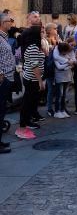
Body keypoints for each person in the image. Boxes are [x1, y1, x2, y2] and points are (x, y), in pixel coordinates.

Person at [15, 25, 46, 140]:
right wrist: (40, 81)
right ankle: (22, 127)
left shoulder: (34, 46)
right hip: (32, 79)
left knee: (30, 102)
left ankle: (27, 122)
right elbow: (35, 66)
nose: (43, 33)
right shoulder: (33, 47)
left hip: (33, 79)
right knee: (27, 103)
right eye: (41, 32)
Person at [0, 12, 15, 153]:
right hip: (2, 79)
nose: (11, 22)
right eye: (8, 20)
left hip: (7, 78)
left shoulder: (4, 38)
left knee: (2, 110)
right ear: (2, 23)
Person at [53, 42, 75, 118]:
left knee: (64, 95)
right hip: (59, 77)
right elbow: (59, 67)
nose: (66, 53)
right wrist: (68, 63)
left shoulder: (67, 54)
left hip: (67, 76)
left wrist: (68, 64)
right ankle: (57, 111)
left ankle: (62, 110)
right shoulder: (56, 56)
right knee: (59, 95)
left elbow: (72, 63)